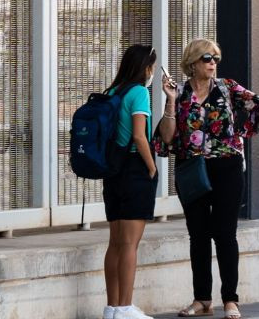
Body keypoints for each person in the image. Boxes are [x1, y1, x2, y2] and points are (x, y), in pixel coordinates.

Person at [153, 38, 259, 319]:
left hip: (228, 167)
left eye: (216, 59)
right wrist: (170, 102)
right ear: (193, 63)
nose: (213, 64)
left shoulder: (227, 88)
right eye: (208, 58)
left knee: (224, 234)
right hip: (192, 169)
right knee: (198, 235)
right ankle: (202, 299)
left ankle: (230, 300)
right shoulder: (180, 92)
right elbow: (168, 136)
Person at [101, 44, 160, 319]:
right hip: (134, 169)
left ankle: (112, 307)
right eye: (152, 66)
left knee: (115, 242)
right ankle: (125, 307)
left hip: (113, 171)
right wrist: (152, 167)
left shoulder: (113, 91)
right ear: (145, 68)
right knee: (130, 244)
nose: (152, 72)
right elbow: (140, 136)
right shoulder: (138, 93)